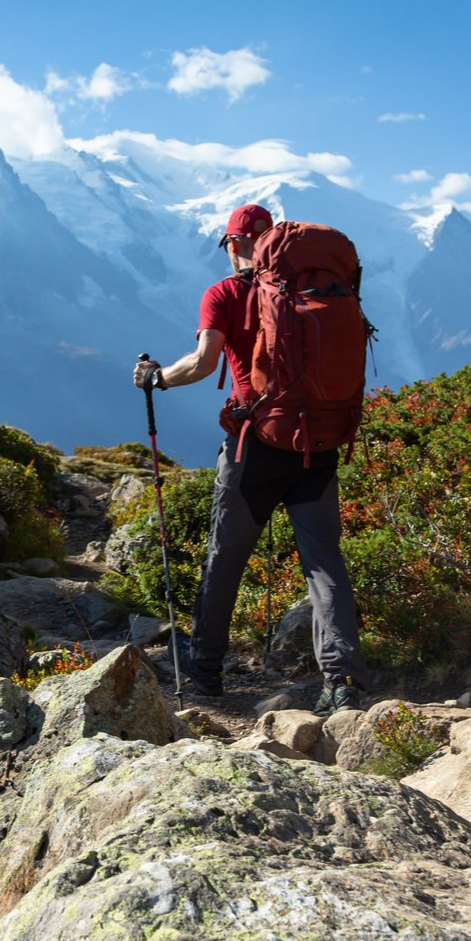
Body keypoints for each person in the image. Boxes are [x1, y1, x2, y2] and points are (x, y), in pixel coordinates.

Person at [132, 202, 367, 713]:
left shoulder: (224, 293)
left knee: (225, 558)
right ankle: (343, 680)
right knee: (324, 564)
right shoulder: (320, 286)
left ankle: (206, 671)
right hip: (318, 443)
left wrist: (156, 377)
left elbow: (202, 363)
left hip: (255, 446)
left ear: (236, 244)